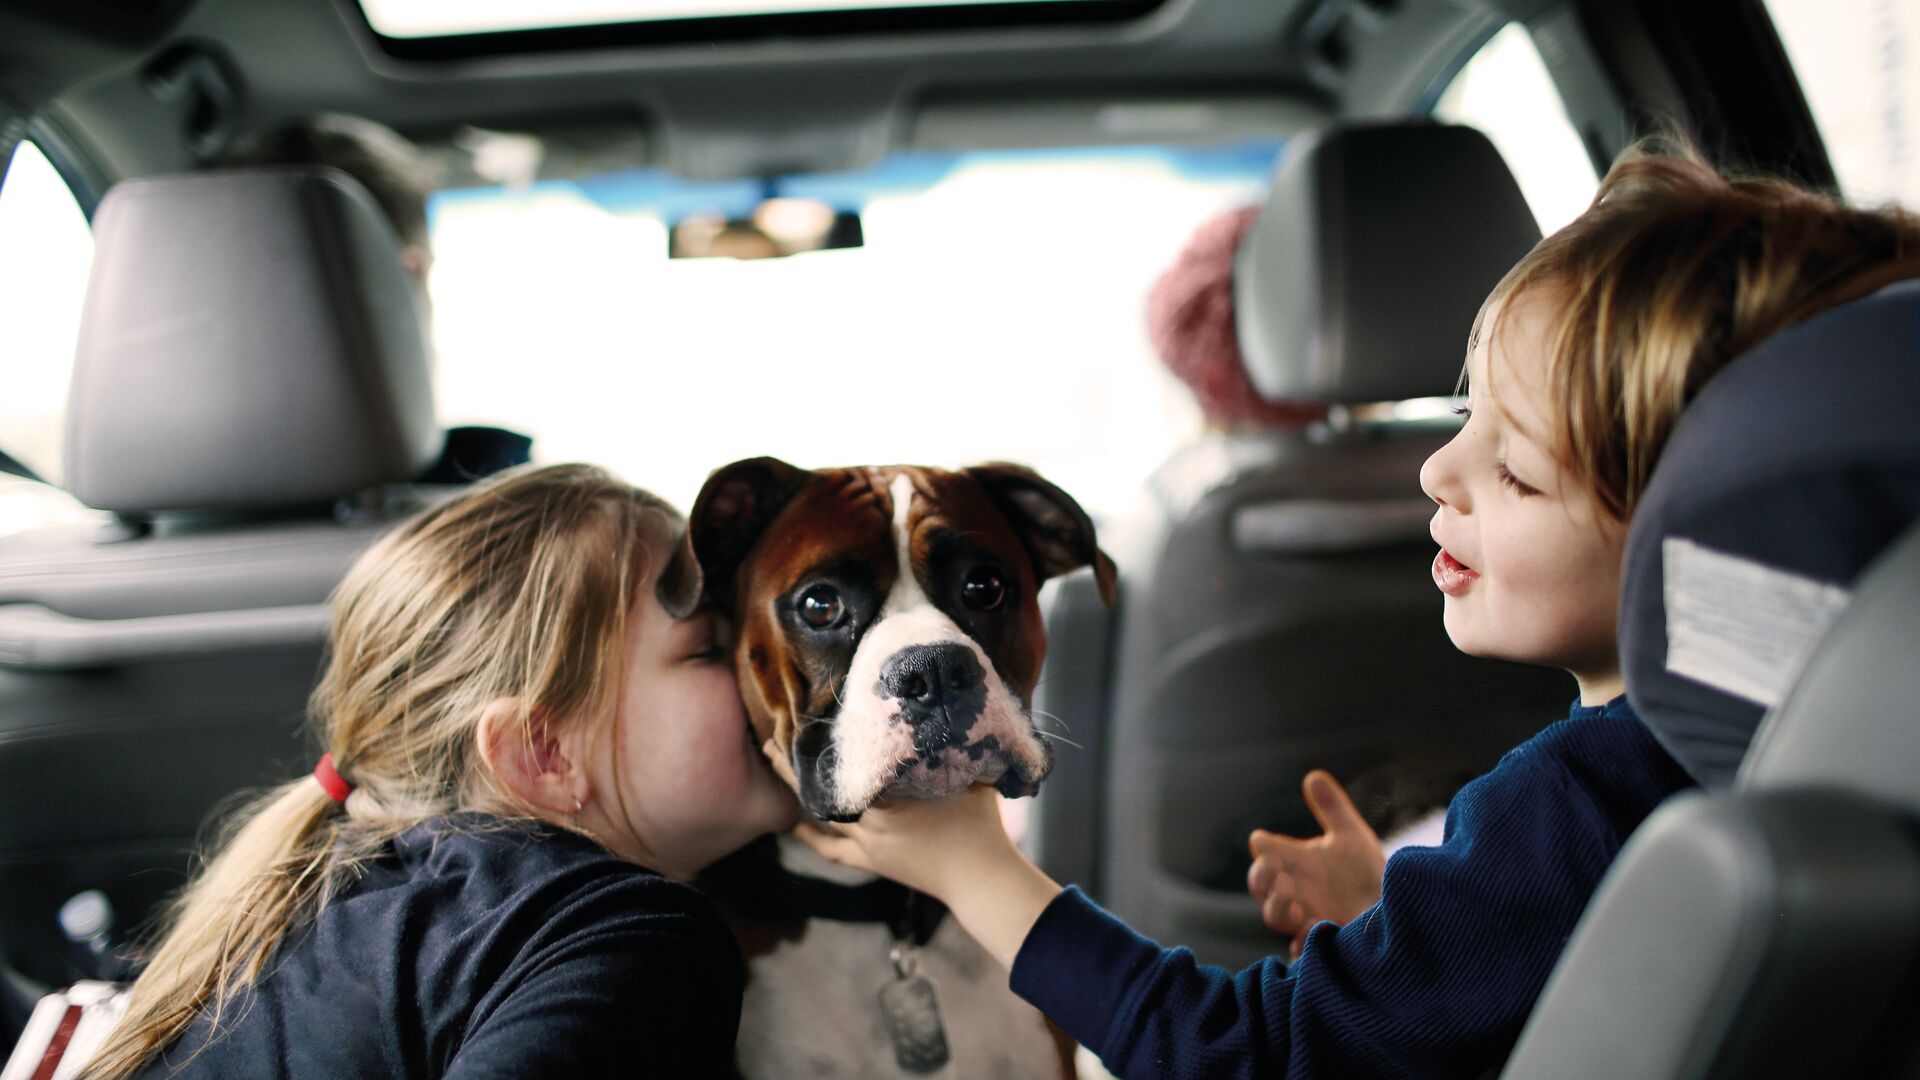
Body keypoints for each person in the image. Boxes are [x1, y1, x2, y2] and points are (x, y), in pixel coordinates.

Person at [789, 144, 1920, 1078]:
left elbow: (1249, 1055)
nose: (1437, 470)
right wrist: (1406, 922)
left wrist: (974, 869)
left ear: (1695, 518)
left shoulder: (1576, 806)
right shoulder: (1769, 767)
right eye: (1466, 413)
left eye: (1517, 471)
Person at [81, 464, 798, 1078]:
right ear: (542, 753)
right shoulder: (623, 936)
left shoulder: (329, 907)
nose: (767, 662)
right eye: (710, 647)